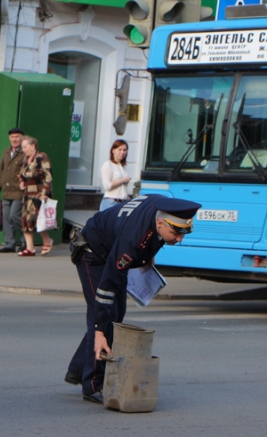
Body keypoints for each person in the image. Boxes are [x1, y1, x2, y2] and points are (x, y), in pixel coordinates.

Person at [65, 194, 201, 404]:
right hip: (93, 253)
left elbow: (149, 232)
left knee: (117, 314)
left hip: (110, 249)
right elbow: (107, 287)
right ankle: (92, 385)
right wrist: (100, 332)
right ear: (160, 222)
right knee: (103, 317)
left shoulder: (160, 206)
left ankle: (78, 368)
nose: (180, 238)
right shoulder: (132, 239)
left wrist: (148, 255)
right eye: (175, 232)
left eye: (185, 233)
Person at [17, 136, 55, 257]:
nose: (23, 150)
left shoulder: (41, 157)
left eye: (25, 147)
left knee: (37, 218)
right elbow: (23, 174)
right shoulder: (26, 158)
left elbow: (48, 176)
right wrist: (22, 181)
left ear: (33, 146)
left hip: (39, 194)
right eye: (22, 147)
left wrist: (44, 193)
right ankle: (30, 248)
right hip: (28, 194)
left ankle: (47, 241)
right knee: (26, 220)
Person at [0, 127, 25, 253]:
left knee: (14, 216)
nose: (14, 139)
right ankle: (10, 244)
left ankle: (25, 241)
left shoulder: (24, 153)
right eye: (12, 137)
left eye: (17, 137)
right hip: (6, 191)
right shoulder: (6, 151)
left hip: (18, 191)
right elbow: (0, 170)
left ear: (22, 138)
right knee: (6, 217)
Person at [99, 139, 131, 211]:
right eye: (120, 149)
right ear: (113, 150)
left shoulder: (123, 167)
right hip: (111, 203)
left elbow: (121, 189)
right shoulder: (108, 165)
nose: (122, 152)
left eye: (124, 150)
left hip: (123, 203)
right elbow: (107, 186)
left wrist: (127, 197)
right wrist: (123, 180)